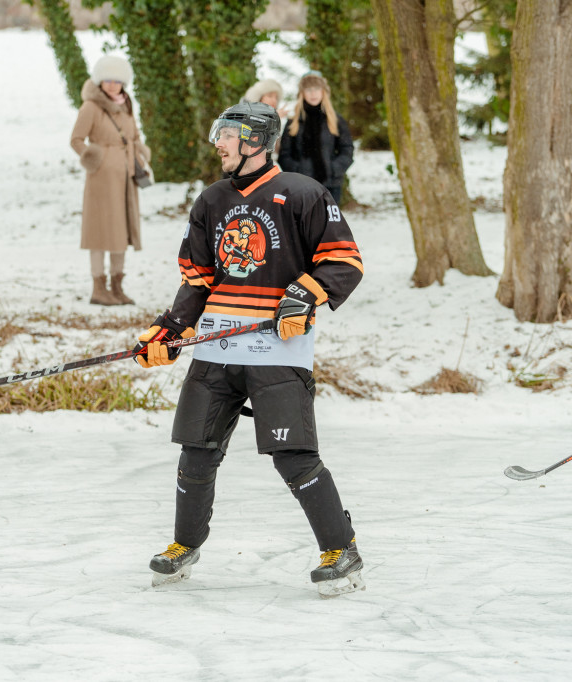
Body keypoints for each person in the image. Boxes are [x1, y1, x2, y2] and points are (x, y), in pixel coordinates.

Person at [133, 101, 366, 597]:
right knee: (196, 451)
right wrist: (171, 329)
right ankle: (183, 544)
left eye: (227, 134)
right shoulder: (212, 200)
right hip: (217, 344)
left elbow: (344, 261)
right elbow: (197, 280)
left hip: (277, 351)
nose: (218, 142)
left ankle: (340, 548)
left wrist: (303, 295)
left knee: (293, 456)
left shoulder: (303, 193)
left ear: (255, 141)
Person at [70, 55, 149, 306]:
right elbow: (76, 139)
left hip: (126, 177)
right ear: (100, 81)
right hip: (101, 179)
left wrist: (139, 155)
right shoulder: (91, 107)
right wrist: (96, 158)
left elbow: (134, 135)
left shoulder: (127, 104)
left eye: (117, 80)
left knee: (121, 232)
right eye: (108, 80)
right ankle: (98, 288)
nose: (113, 85)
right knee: (99, 233)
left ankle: (117, 287)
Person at [278, 71, 353, 204]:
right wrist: (298, 172)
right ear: (302, 93)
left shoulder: (335, 120)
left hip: (331, 186)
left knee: (328, 224)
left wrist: (334, 169)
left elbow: (347, 149)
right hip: (301, 187)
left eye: (317, 89)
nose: (313, 93)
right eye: (309, 89)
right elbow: (284, 154)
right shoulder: (293, 122)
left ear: (324, 91)